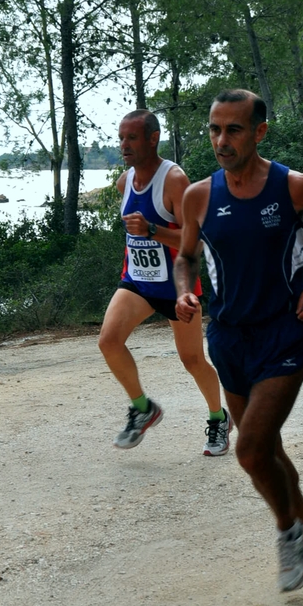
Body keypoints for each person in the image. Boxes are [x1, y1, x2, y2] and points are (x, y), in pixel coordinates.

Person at [174, 88, 303, 592]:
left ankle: (287, 533)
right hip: (228, 336)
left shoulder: (294, 187)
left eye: (233, 129)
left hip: (284, 330)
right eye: (215, 129)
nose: (221, 139)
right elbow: (186, 257)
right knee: (267, 446)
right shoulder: (199, 195)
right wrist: (184, 293)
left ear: (259, 132)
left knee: (250, 448)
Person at [98, 109, 231, 455]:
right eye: (121, 138)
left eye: (132, 138)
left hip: (177, 287)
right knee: (108, 342)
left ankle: (219, 418)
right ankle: (143, 409)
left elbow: (195, 240)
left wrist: (154, 230)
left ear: (153, 138)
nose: (124, 145)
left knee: (192, 360)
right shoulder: (124, 182)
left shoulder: (173, 180)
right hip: (138, 283)